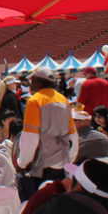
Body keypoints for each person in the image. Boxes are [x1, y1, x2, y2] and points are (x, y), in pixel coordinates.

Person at [16, 66, 78, 201]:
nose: (31, 84)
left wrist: (22, 163)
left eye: (32, 80)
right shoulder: (63, 100)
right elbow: (73, 136)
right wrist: (69, 160)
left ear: (38, 81)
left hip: (41, 167)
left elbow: (30, 138)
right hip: (62, 164)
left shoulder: (34, 101)